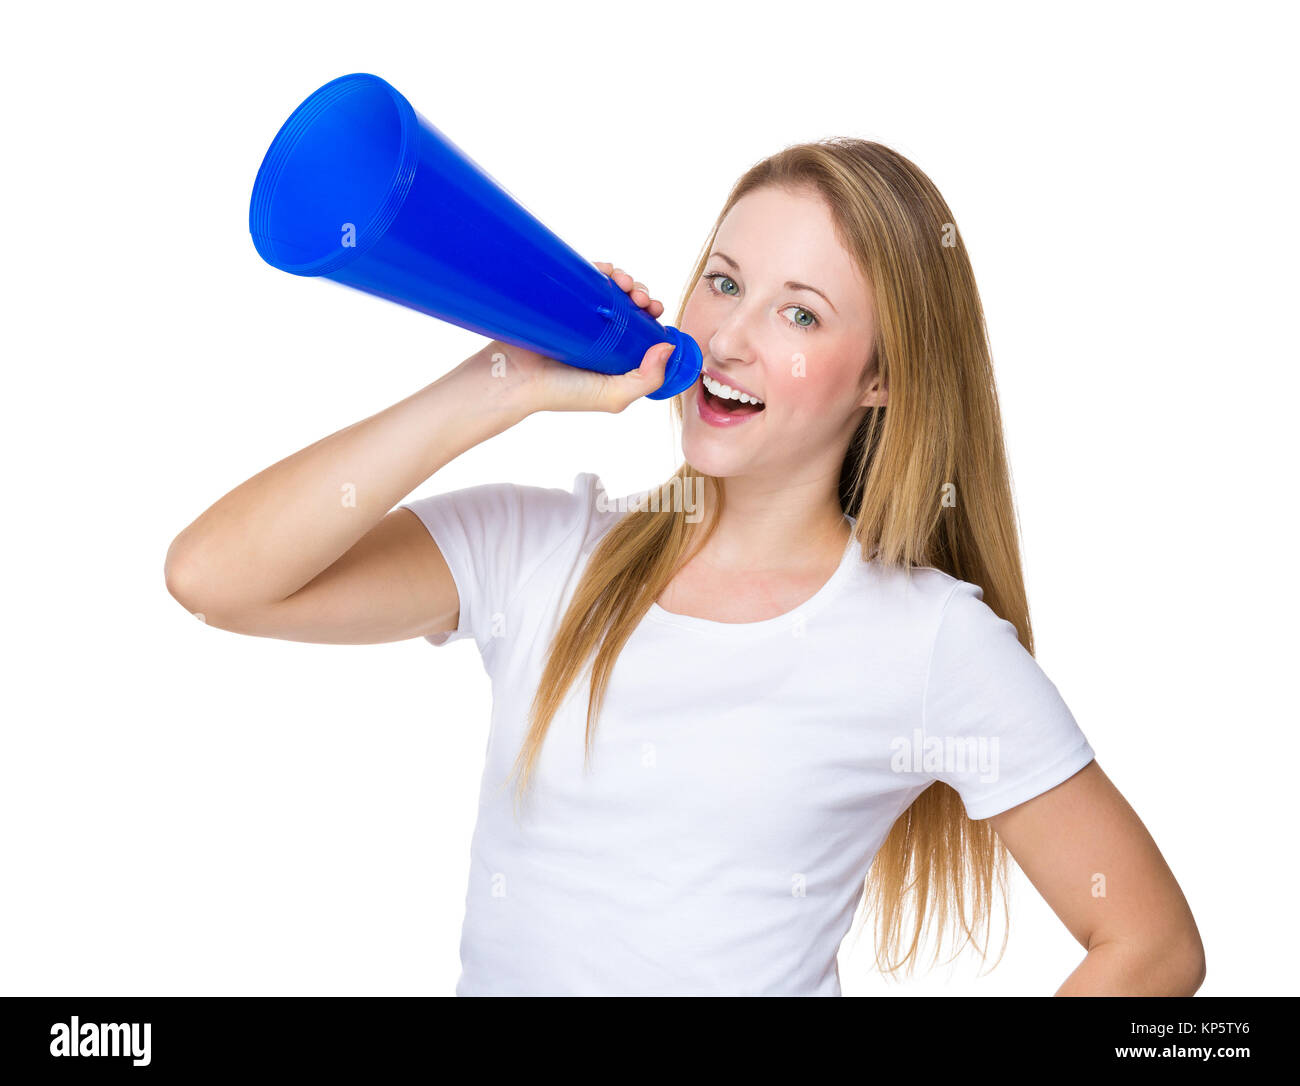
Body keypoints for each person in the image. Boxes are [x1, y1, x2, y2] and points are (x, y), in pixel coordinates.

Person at [165, 138, 1205, 997]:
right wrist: (495, 382)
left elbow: (1149, 946)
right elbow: (215, 577)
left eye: (798, 312)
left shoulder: (928, 641)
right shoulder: (545, 552)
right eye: (723, 282)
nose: (733, 338)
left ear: (881, 379)